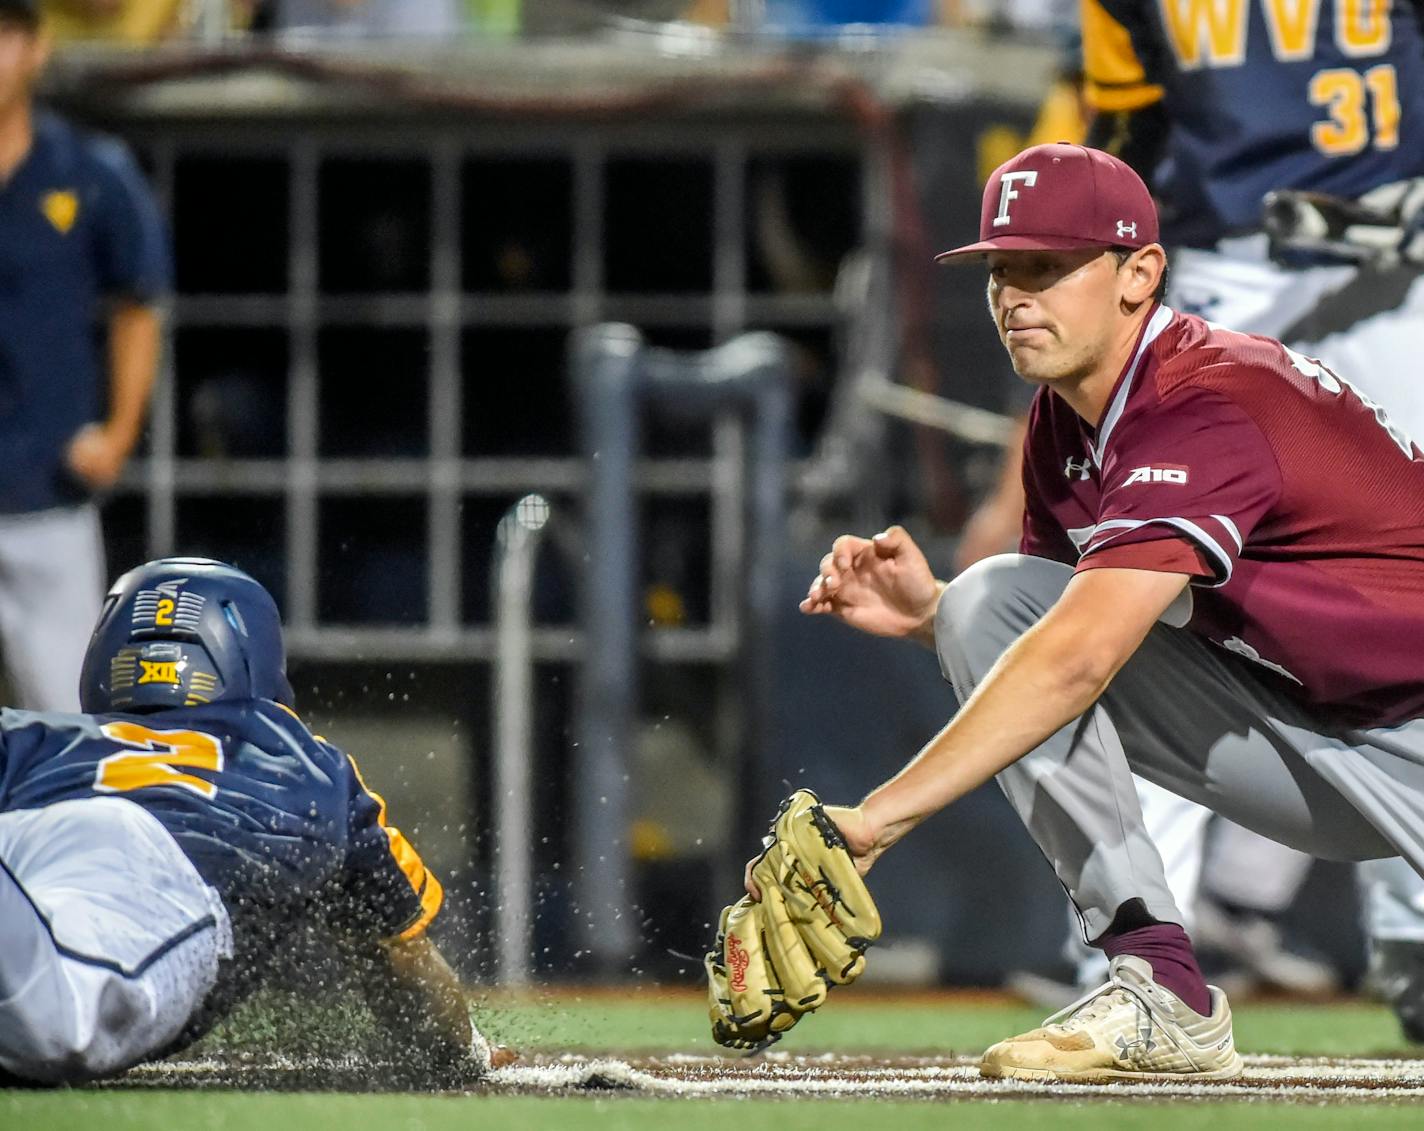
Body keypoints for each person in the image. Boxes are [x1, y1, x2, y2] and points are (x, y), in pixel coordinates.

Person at [785, 142, 1424, 1080]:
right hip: (1325, 731)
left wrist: (875, 819)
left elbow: (1077, 658)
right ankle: (1161, 986)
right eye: (1003, 268)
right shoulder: (1068, 420)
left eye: (1048, 266)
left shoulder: (1206, 399)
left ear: (1140, 274)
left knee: (1017, 620)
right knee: (990, 603)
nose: (1015, 295)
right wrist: (935, 615)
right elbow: (1067, 646)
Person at [958, 0, 1424, 1004]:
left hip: (1397, 261)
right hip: (1220, 264)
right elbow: (1121, 131)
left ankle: (1410, 940)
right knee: (1127, 603)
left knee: (1395, 587)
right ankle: (1125, 953)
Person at [0, 557, 509, 1084]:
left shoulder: (34, 736)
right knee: (56, 1030)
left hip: (32, 846)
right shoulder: (306, 763)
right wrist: (468, 1055)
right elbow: (403, 960)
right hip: (143, 893)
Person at [0, 0, 168, 712]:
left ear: (35, 47)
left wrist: (121, 431)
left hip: (48, 498)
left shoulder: (87, 171)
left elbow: (139, 302)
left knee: (72, 728)